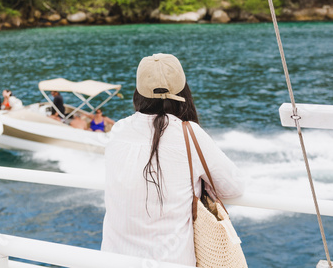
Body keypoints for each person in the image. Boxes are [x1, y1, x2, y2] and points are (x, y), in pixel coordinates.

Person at [101, 53, 245, 265]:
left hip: (112, 261)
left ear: (139, 92)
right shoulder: (189, 133)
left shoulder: (118, 130)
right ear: (183, 90)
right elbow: (234, 187)